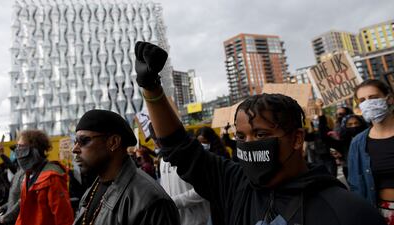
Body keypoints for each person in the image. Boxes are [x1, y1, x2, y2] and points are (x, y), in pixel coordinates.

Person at [134, 41, 386, 225]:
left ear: (297, 139)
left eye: (261, 134)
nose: (249, 145)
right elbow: (179, 147)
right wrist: (151, 89)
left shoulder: (346, 212)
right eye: (241, 137)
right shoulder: (233, 184)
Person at [71, 109, 180, 225]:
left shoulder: (150, 201)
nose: (75, 149)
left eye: (83, 141)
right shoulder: (91, 191)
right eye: (75, 142)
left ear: (113, 142)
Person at [348, 79, 394, 224]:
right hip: (383, 214)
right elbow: (356, 185)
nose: (368, 103)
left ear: (389, 98)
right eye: (362, 100)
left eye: (373, 98)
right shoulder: (357, 143)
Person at [14, 129, 74, 225]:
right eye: (17, 148)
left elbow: (64, 218)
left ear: (36, 150)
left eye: (22, 148)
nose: (18, 153)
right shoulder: (29, 175)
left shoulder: (53, 177)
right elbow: (24, 213)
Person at [0, 145, 25, 225]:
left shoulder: (23, 173)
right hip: (8, 211)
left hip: (14, 217)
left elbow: (22, 200)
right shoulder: (4, 169)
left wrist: (1, 154)